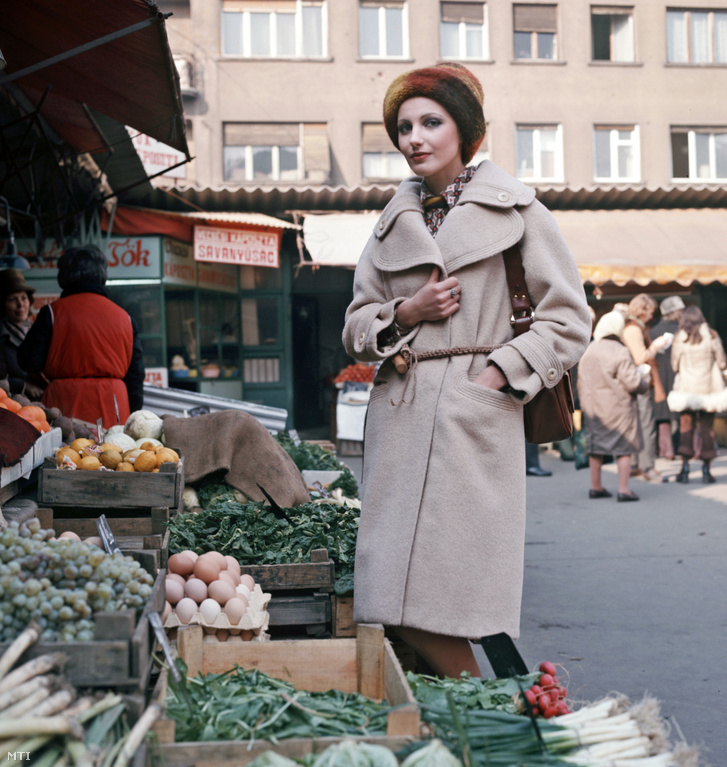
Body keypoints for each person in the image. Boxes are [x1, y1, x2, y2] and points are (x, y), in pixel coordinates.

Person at [342, 63, 591, 678]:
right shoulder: (389, 223)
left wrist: (495, 377)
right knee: (390, 602)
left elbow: (569, 320)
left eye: (432, 122)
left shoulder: (520, 212)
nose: (414, 138)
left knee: (445, 598)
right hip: (401, 412)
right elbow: (354, 326)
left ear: (466, 130)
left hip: (473, 416)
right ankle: (451, 725)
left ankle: (488, 715)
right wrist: (406, 310)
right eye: (403, 127)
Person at [18, 244, 144, 428]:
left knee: (63, 455)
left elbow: (28, 360)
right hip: (114, 407)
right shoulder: (125, 318)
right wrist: (133, 413)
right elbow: (135, 376)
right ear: (102, 274)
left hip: (62, 408)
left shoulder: (52, 313)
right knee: (114, 455)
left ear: (63, 276)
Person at [577, 311, 651, 502]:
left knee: (595, 448)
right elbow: (632, 383)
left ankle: (596, 487)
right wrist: (645, 379)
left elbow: (580, 382)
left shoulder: (589, 349)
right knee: (623, 447)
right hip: (619, 409)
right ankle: (623, 490)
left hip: (593, 408)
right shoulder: (620, 350)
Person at [667, 305, 727, 484]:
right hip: (708, 390)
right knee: (707, 430)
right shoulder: (712, 335)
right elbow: (723, 363)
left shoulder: (680, 338)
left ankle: (685, 469)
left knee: (686, 428)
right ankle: (707, 471)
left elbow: (675, 365)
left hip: (686, 391)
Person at [622, 294, 669, 482]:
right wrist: (656, 346)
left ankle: (635, 464)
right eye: (650, 312)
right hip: (639, 382)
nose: (651, 316)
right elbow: (640, 357)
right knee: (646, 424)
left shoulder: (631, 327)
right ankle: (647, 466)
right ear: (642, 310)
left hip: (632, 381)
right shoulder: (634, 329)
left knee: (635, 424)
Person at [0, 267, 45, 399]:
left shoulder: (37, 329)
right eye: (13, 299)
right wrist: (23, 385)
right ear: (2, 304)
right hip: (12, 404)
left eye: (23, 298)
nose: (20, 305)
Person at [651, 296, 685, 460]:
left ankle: (666, 450)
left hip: (657, 378)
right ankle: (684, 448)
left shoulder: (652, 329)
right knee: (683, 415)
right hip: (679, 376)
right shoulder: (683, 329)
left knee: (662, 416)